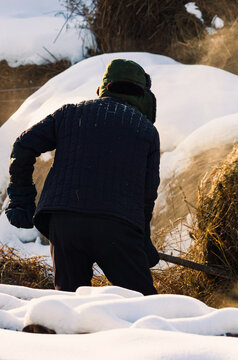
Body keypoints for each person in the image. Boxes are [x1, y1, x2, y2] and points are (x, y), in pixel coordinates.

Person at [5, 59, 160, 295]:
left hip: (64, 221)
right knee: (142, 304)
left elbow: (23, 145)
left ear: (103, 88)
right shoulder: (146, 130)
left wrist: (21, 199)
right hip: (117, 227)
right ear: (143, 95)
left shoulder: (70, 113)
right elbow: (147, 194)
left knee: (70, 302)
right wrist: (142, 239)